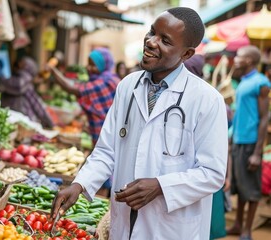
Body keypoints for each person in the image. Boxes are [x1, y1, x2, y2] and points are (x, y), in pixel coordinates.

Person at [51, 7, 228, 240]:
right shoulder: (128, 86)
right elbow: (107, 150)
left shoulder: (207, 100)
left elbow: (212, 173)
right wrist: (80, 184)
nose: (151, 42)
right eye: (152, 32)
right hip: (125, 220)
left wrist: (160, 186)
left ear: (186, 54)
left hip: (171, 227)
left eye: (165, 40)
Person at [226, 45, 271, 240]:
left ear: (250, 61)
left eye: (240, 56)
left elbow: (264, 118)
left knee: (251, 189)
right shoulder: (243, 80)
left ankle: (247, 230)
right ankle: (237, 224)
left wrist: (256, 152)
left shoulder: (261, 82)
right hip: (238, 140)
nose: (235, 58)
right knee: (240, 186)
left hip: (251, 143)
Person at [185, 54, 230, 240]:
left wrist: (227, 173)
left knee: (205, 217)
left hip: (203, 171)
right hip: (192, 173)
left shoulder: (209, 98)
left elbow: (221, 145)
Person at [49, 47, 120, 145]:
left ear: (103, 65)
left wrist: (52, 69)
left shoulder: (104, 82)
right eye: (88, 64)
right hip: (107, 135)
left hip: (106, 138)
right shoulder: (111, 78)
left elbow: (72, 88)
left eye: (93, 65)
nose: (88, 68)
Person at [0, 56, 54, 128]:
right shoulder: (21, 83)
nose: (19, 64)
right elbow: (38, 107)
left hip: (20, 124)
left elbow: (38, 106)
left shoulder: (23, 83)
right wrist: (50, 123)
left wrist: (50, 123)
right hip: (18, 123)